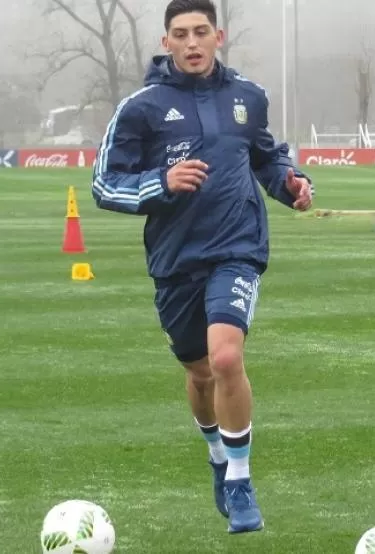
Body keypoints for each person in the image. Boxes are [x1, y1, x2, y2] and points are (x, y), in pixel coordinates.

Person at [90, 0, 313, 535]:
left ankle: (240, 479)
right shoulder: (141, 108)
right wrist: (159, 185)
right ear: (165, 42)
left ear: (220, 36)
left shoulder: (247, 97)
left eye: (201, 32)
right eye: (181, 34)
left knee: (227, 357)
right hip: (175, 259)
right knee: (200, 372)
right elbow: (104, 184)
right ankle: (217, 452)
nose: (192, 43)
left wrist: (289, 184)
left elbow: (265, 156)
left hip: (237, 246)